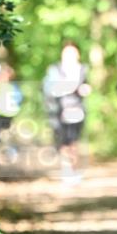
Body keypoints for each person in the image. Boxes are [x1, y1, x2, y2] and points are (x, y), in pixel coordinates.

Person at [43, 43, 90, 182]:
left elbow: (85, 87)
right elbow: (50, 89)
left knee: (74, 143)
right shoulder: (54, 70)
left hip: (77, 110)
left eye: (73, 53)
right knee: (63, 143)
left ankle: (73, 171)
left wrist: (83, 89)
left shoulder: (82, 69)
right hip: (58, 112)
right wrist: (71, 87)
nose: (70, 56)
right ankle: (67, 170)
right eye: (67, 53)